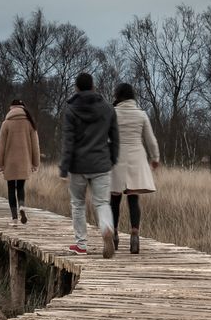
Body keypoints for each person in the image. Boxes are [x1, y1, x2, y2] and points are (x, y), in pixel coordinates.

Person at [57, 72, 119, 257]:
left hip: (78, 166)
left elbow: (68, 141)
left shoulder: (71, 110)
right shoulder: (108, 109)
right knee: (102, 203)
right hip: (101, 164)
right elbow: (115, 138)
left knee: (78, 204)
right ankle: (107, 228)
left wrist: (64, 168)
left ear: (76, 88)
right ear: (93, 86)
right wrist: (113, 159)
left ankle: (81, 244)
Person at [108, 82, 161, 255]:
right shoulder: (141, 114)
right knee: (133, 199)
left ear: (118, 96)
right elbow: (150, 139)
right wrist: (155, 158)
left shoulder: (112, 114)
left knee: (114, 200)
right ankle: (135, 234)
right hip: (137, 157)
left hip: (116, 157)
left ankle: (114, 234)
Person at [0, 99, 42, 225]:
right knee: (20, 186)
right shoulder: (30, 123)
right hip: (24, 162)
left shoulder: (6, 123)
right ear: (23, 108)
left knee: (10, 189)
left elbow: (1, 146)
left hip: (10, 162)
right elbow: (35, 146)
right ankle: (22, 206)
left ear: (11, 108)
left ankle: (14, 219)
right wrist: (35, 163)